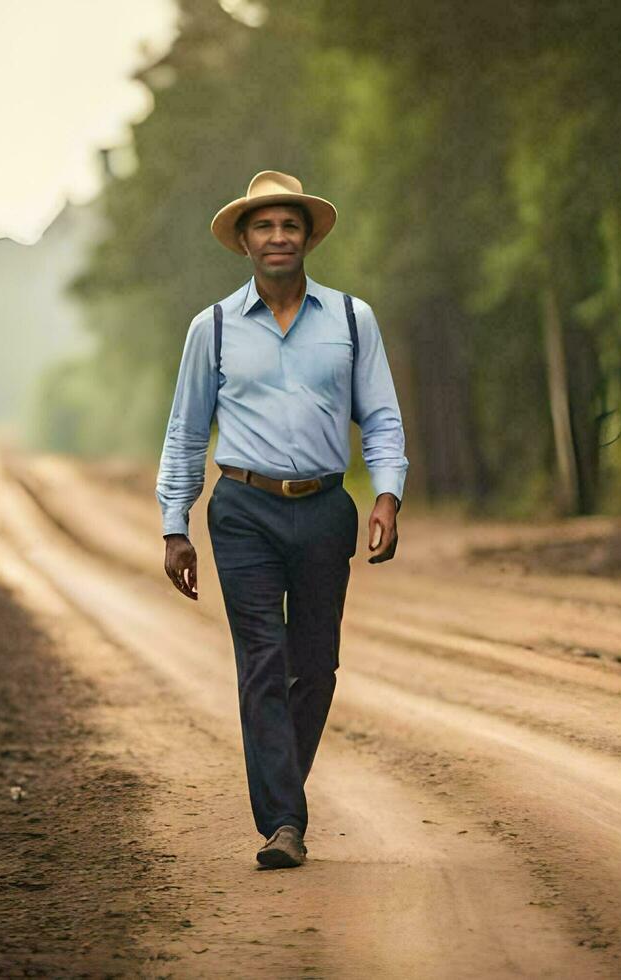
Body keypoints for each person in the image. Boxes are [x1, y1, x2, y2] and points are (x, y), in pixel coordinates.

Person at [155, 170, 409, 869]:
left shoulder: (353, 321)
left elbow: (381, 416)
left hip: (327, 508)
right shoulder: (211, 329)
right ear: (243, 240)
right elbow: (185, 432)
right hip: (242, 510)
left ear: (307, 237)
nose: (277, 237)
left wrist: (386, 494)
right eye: (263, 226)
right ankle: (284, 820)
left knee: (316, 668)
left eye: (288, 225)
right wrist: (175, 525)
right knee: (262, 661)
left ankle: (280, 790)